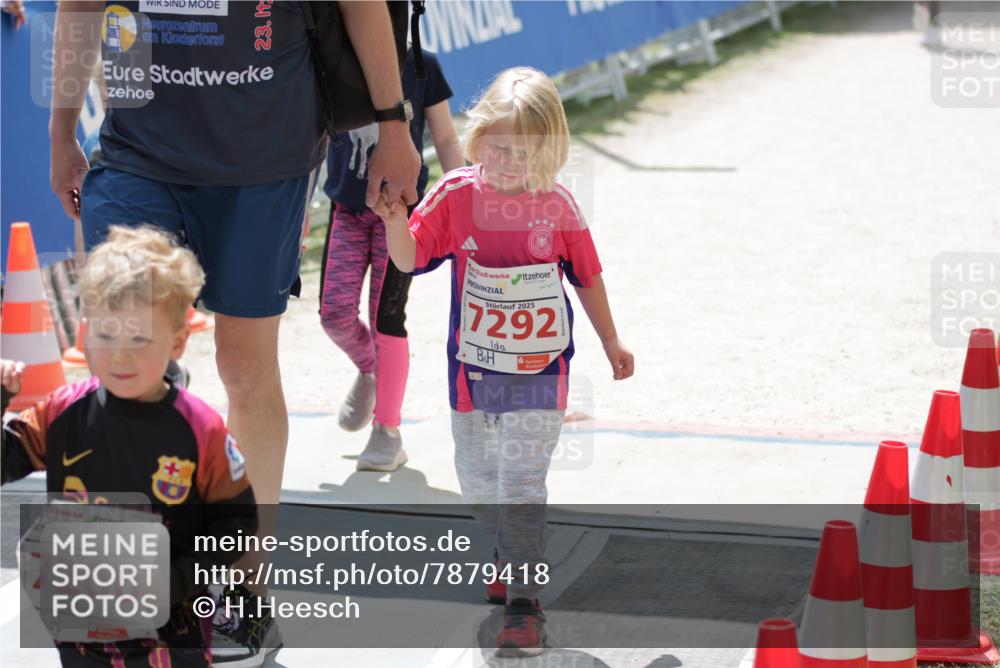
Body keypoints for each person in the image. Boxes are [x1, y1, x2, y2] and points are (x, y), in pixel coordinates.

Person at [49, 2, 421, 663]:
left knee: (245, 369)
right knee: (124, 350)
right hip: (138, 152)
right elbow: (79, 6)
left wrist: (394, 125)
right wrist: (60, 132)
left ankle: (247, 593)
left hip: (265, 157)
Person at [373, 66, 635, 657]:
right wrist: (393, 222)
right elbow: (410, 259)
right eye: (499, 146)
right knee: (478, 483)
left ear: (548, 150)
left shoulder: (558, 205)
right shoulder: (455, 195)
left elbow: (587, 277)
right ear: (479, 135)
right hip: (472, 375)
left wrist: (611, 342)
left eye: (524, 151)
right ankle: (507, 553)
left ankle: (524, 604)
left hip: (540, 374)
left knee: (519, 483)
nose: (509, 161)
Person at [1, 226, 258, 668]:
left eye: (138, 338)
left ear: (177, 342)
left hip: (171, 631)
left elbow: (236, 526)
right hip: (83, 632)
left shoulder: (202, 430)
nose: (120, 355)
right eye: (106, 335)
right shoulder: (60, 413)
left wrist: (175, 581)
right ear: (85, 335)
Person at [321, 45, 464, 471]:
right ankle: (370, 370)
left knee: (386, 319)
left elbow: (446, 138)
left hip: (398, 216)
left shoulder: (423, 65)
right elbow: (313, 138)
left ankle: (387, 431)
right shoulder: (333, 59)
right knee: (333, 315)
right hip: (346, 212)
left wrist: (464, 200)